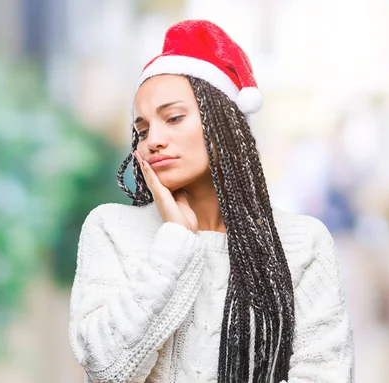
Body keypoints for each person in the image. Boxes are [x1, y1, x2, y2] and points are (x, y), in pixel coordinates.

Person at [67, 19, 354, 383]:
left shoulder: (303, 243)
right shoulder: (110, 229)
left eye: (173, 118)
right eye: (142, 129)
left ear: (224, 125)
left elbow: (325, 374)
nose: (153, 139)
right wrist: (174, 245)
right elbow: (107, 369)